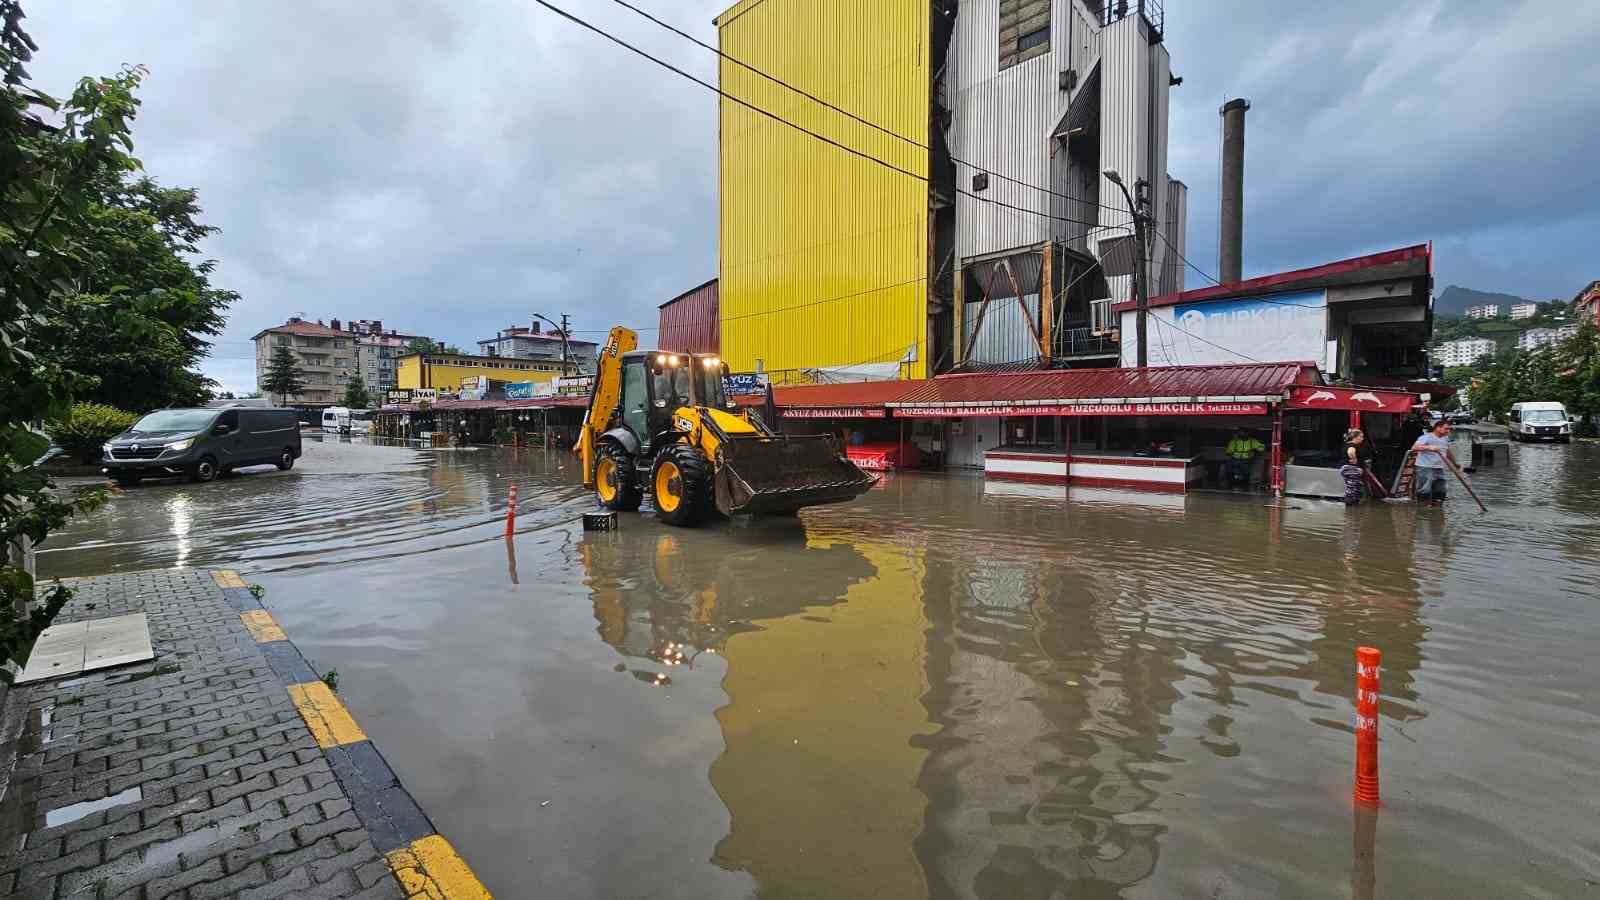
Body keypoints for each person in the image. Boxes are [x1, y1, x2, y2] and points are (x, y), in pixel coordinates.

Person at [1410, 419, 1453, 505]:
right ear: (1438, 428)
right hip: (1425, 466)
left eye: (1449, 429)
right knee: (1425, 489)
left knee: (1441, 489)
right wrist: (1429, 447)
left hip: (1439, 467)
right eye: (1446, 428)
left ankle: (1437, 508)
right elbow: (1414, 447)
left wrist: (1455, 463)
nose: (1448, 431)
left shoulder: (1445, 438)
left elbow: (1447, 451)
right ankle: (1423, 508)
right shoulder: (1426, 437)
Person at [1341, 428, 1368, 505]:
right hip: (1352, 469)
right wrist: (1354, 459)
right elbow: (1351, 451)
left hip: (1350, 469)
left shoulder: (1348, 444)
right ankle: (1349, 509)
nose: (1362, 439)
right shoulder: (1352, 445)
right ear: (1355, 437)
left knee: (1356, 488)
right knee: (1352, 489)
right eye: (1361, 437)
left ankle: (1353, 508)